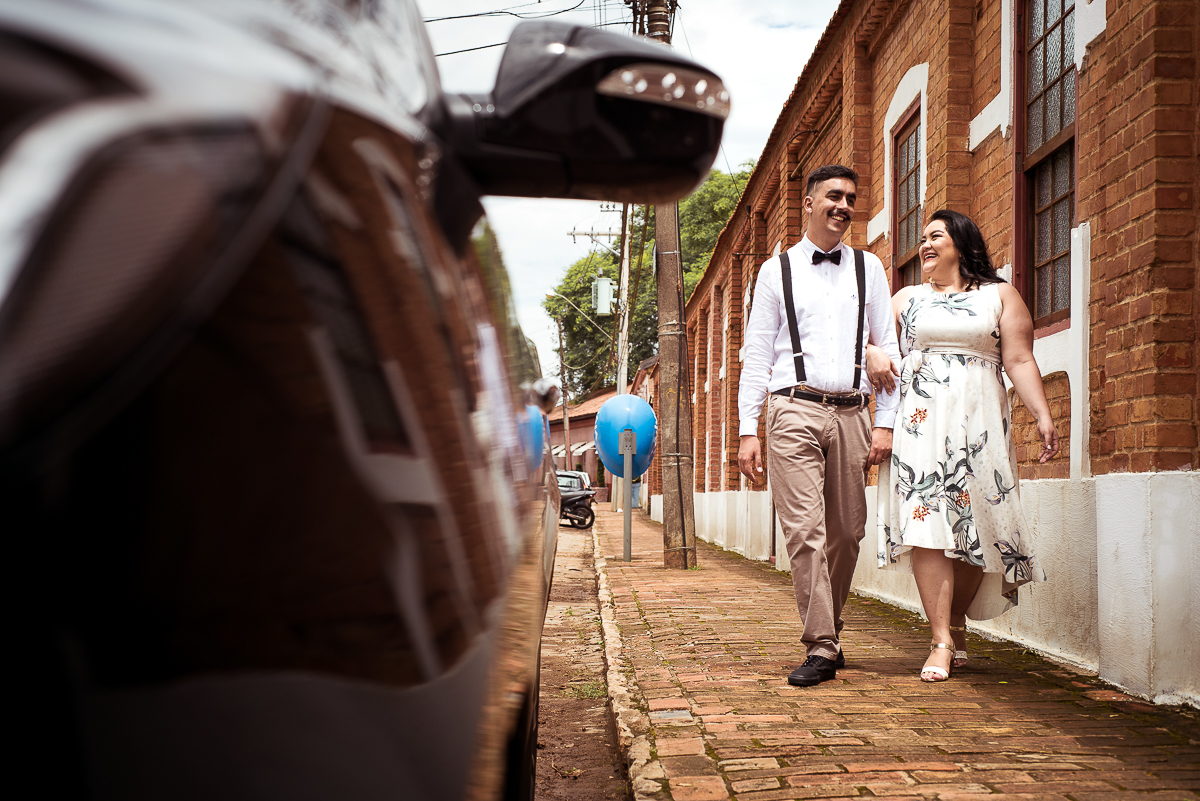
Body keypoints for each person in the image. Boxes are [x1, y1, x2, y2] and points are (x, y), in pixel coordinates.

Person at [866, 208, 1059, 683]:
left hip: (981, 422)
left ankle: (954, 620)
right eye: (922, 239)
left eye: (935, 236)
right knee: (927, 522)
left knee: (978, 524)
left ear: (961, 242)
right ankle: (940, 639)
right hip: (920, 422)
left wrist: (1043, 413)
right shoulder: (906, 298)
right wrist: (871, 351)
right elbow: (863, 341)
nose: (924, 245)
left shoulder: (999, 295)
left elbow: (1018, 357)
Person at [737, 164, 902, 688]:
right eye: (833, 196)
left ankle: (828, 623)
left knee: (849, 532)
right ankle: (822, 645)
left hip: (854, 412)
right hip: (793, 409)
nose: (843, 205)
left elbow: (888, 348)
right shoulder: (774, 272)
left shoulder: (869, 268)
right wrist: (747, 429)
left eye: (851, 198)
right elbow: (757, 355)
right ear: (807, 203)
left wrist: (886, 423)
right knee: (804, 531)